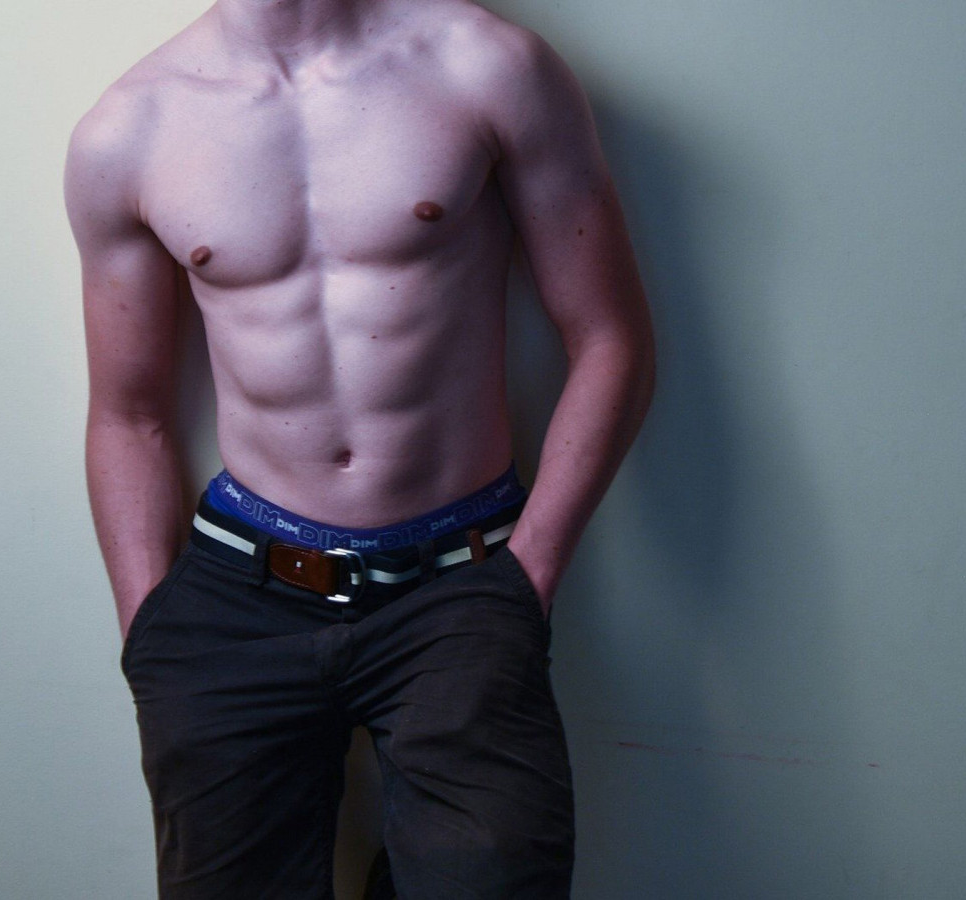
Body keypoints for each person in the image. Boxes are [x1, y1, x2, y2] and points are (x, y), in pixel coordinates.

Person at [64, 0, 654, 895]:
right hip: (236, 600)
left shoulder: (486, 65)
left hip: (459, 586)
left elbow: (611, 339)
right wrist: (152, 635)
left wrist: (524, 575)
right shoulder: (129, 128)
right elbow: (128, 413)